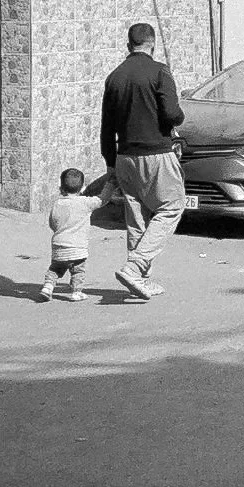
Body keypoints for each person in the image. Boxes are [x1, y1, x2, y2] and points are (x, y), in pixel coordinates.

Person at [100, 21, 185, 301]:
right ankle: (135, 268)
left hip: (124, 156)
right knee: (172, 207)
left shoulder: (114, 77)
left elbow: (106, 128)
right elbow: (172, 114)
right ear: (152, 44)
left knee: (137, 219)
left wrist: (111, 164)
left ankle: (140, 280)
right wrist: (178, 116)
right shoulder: (160, 71)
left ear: (129, 45)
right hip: (156, 154)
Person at [42, 167, 94, 302]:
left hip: (59, 246)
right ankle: (77, 292)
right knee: (78, 271)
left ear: (61, 187)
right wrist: (111, 184)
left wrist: (59, 232)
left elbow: (52, 223)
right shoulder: (86, 202)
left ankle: (48, 287)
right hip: (78, 248)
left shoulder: (57, 204)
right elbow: (102, 200)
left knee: (55, 269)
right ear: (83, 188)